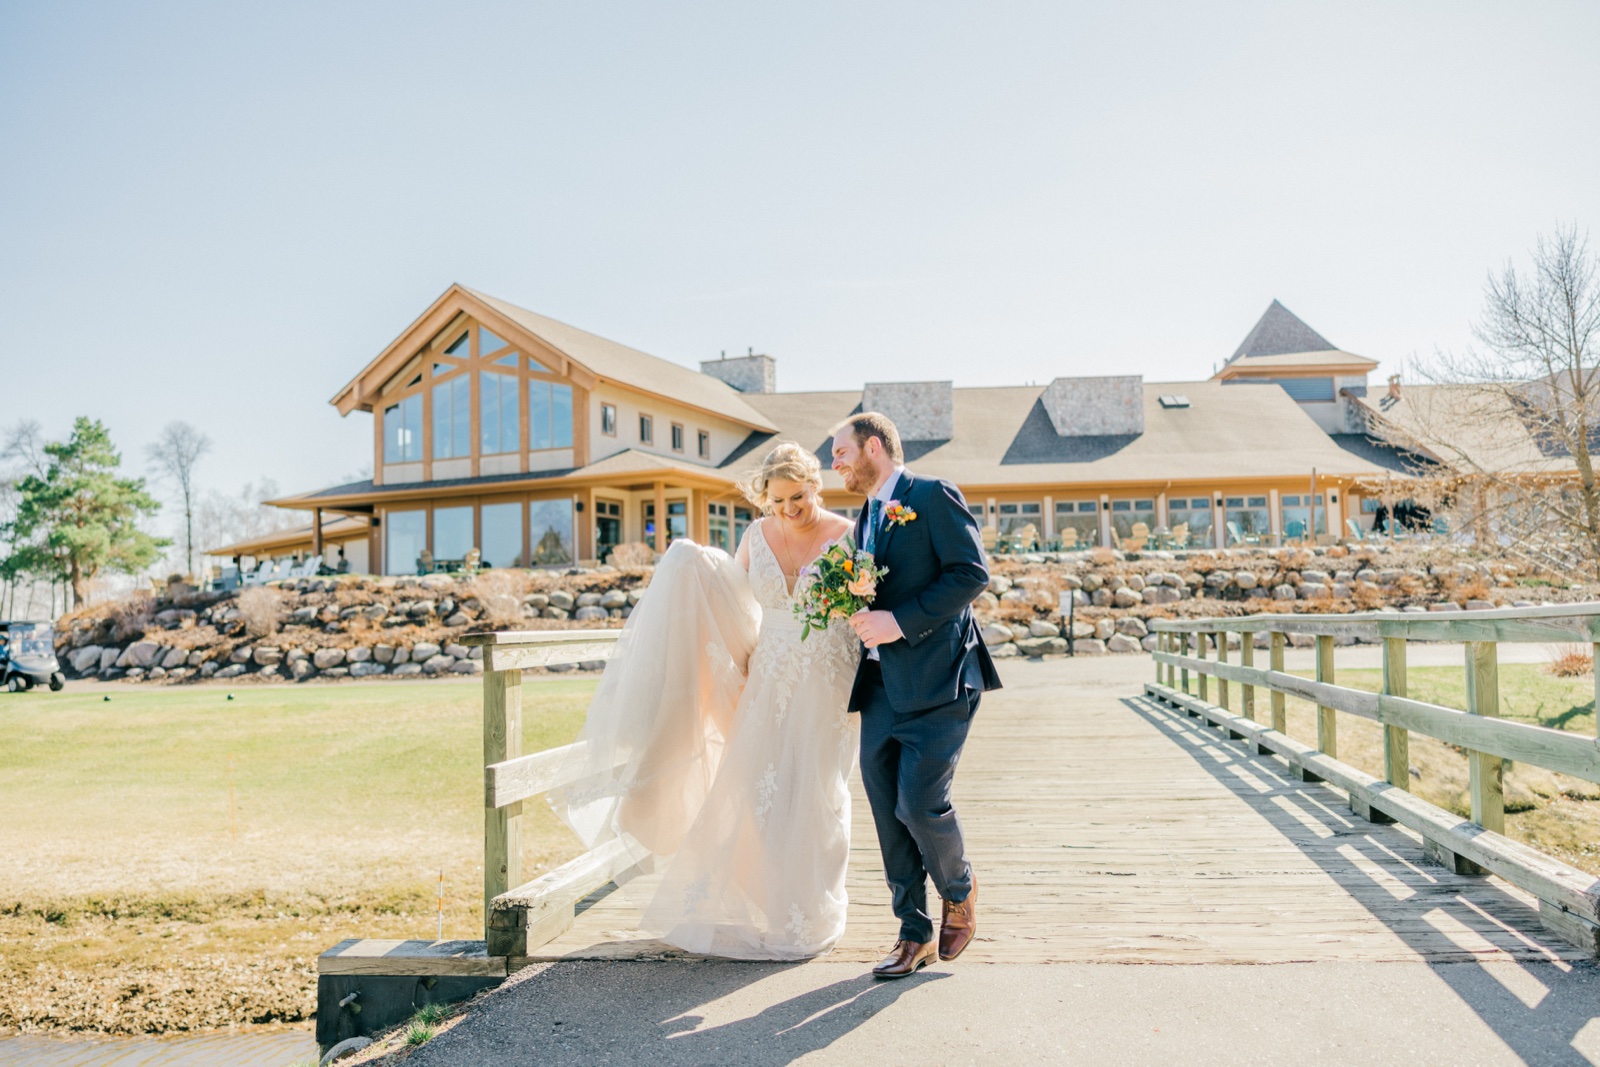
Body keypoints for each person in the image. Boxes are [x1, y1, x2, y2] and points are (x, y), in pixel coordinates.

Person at [556, 442, 862, 959]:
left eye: (799, 497)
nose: (789, 509)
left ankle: (817, 911)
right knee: (764, 793)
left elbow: (867, 602)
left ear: (816, 485)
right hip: (767, 680)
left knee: (817, 793)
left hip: (829, 681)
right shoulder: (755, 536)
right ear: (765, 499)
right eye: (778, 500)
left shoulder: (848, 536)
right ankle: (781, 906)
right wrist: (691, 568)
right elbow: (735, 602)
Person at [833, 412, 1001, 978]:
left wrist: (898, 622)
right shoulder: (865, 517)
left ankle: (960, 887)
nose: (834, 464)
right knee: (887, 812)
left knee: (918, 803)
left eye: (840, 452)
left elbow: (970, 572)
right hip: (880, 686)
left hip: (940, 680)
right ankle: (913, 933)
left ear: (873, 447)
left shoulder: (931, 496)